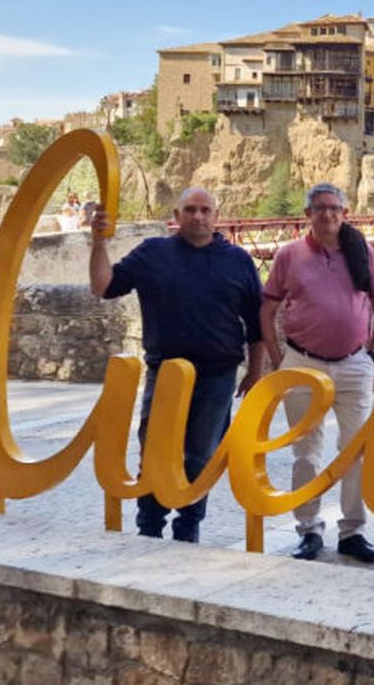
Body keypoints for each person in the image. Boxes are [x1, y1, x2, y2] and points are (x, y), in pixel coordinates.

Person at [90, 188, 265, 543]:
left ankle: (188, 529)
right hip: (165, 371)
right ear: (176, 213)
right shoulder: (153, 253)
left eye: (204, 210)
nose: (197, 216)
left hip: (217, 375)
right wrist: (98, 243)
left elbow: (256, 323)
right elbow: (103, 286)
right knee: (154, 451)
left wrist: (257, 371)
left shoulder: (238, 260)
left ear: (216, 215)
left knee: (200, 456)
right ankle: (149, 527)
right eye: (190, 210)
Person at [260, 183, 374, 564]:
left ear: (344, 213)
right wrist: (276, 357)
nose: (327, 215)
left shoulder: (361, 250)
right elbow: (267, 311)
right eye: (320, 208)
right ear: (308, 214)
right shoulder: (290, 255)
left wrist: (373, 353)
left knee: (356, 450)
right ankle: (309, 529)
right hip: (303, 362)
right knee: (306, 452)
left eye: (334, 208)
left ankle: (352, 530)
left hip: (353, 364)